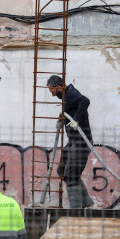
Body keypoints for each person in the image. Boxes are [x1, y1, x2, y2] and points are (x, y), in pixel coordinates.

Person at [47, 75, 94, 209]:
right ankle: (86, 202)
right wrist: (62, 118)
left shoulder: (71, 93)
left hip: (81, 143)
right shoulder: (66, 97)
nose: (52, 95)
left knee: (72, 176)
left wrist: (76, 119)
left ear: (58, 87)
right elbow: (71, 109)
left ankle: (76, 211)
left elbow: (85, 100)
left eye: (52, 91)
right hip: (74, 141)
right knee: (62, 170)